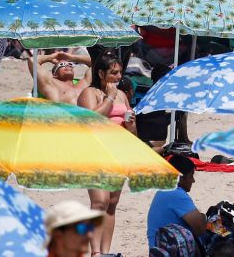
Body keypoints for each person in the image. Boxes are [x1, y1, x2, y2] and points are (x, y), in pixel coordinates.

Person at [77, 54, 135, 255]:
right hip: (95, 151)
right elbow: (92, 119)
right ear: (101, 73)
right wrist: (109, 98)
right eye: (113, 73)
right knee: (99, 202)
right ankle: (95, 252)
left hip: (118, 152)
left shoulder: (122, 96)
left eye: (120, 72)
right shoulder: (89, 93)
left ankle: (105, 250)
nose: (118, 77)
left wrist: (131, 124)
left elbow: (132, 133)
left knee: (112, 203)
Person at [146, 153, 205, 243]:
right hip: (172, 250)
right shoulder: (176, 195)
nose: (193, 180)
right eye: (191, 176)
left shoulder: (165, 190)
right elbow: (200, 229)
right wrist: (204, 217)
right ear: (181, 178)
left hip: (161, 249)